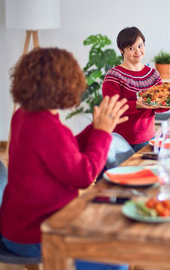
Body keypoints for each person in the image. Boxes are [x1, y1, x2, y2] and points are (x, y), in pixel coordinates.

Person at [0, 48, 129, 270]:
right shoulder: (47, 127)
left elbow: (62, 153)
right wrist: (102, 133)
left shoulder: (24, 115)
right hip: (37, 234)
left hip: (17, 228)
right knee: (116, 262)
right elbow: (85, 175)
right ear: (62, 85)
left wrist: (96, 129)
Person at [102, 26, 169, 152]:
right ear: (121, 50)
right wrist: (137, 105)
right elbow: (111, 109)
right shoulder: (113, 76)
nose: (138, 51)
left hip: (148, 138)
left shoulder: (153, 74)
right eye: (131, 48)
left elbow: (161, 106)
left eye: (140, 46)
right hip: (119, 142)